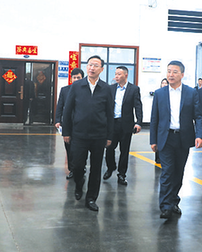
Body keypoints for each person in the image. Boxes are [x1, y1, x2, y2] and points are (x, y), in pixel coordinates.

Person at [149, 61, 202, 219]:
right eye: (169, 71)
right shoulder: (160, 93)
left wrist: (199, 135)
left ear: (182, 74)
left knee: (178, 172)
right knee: (167, 171)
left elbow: (199, 116)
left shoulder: (191, 93)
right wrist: (153, 140)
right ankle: (165, 206)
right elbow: (154, 118)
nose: (171, 75)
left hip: (183, 138)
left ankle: (174, 201)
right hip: (165, 138)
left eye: (174, 72)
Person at [62, 56, 113, 212]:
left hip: (99, 135)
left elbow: (109, 114)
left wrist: (109, 136)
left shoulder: (106, 88)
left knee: (96, 169)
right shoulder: (77, 86)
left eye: (96, 65)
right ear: (87, 67)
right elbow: (67, 110)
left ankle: (91, 198)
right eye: (90, 64)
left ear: (101, 69)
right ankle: (79, 184)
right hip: (79, 134)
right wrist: (66, 132)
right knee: (77, 166)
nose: (92, 68)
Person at [104, 66, 143, 185]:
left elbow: (138, 106)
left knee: (124, 150)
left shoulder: (133, 89)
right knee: (109, 147)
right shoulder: (110, 88)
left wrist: (138, 122)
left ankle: (121, 174)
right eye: (115, 74)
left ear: (126, 75)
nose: (116, 76)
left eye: (119, 74)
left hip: (126, 124)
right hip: (112, 123)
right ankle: (111, 167)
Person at [55, 67, 85, 179]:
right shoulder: (65, 90)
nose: (76, 79)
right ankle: (72, 169)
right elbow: (60, 106)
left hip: (82, 124)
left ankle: (81, 167)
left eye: (79, 78)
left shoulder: (86, 90)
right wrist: (58, 120)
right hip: (68, 123)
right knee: (69, 147)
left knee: (82, 148)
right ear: (71, 78)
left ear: (83, 78)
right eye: (74, 77)